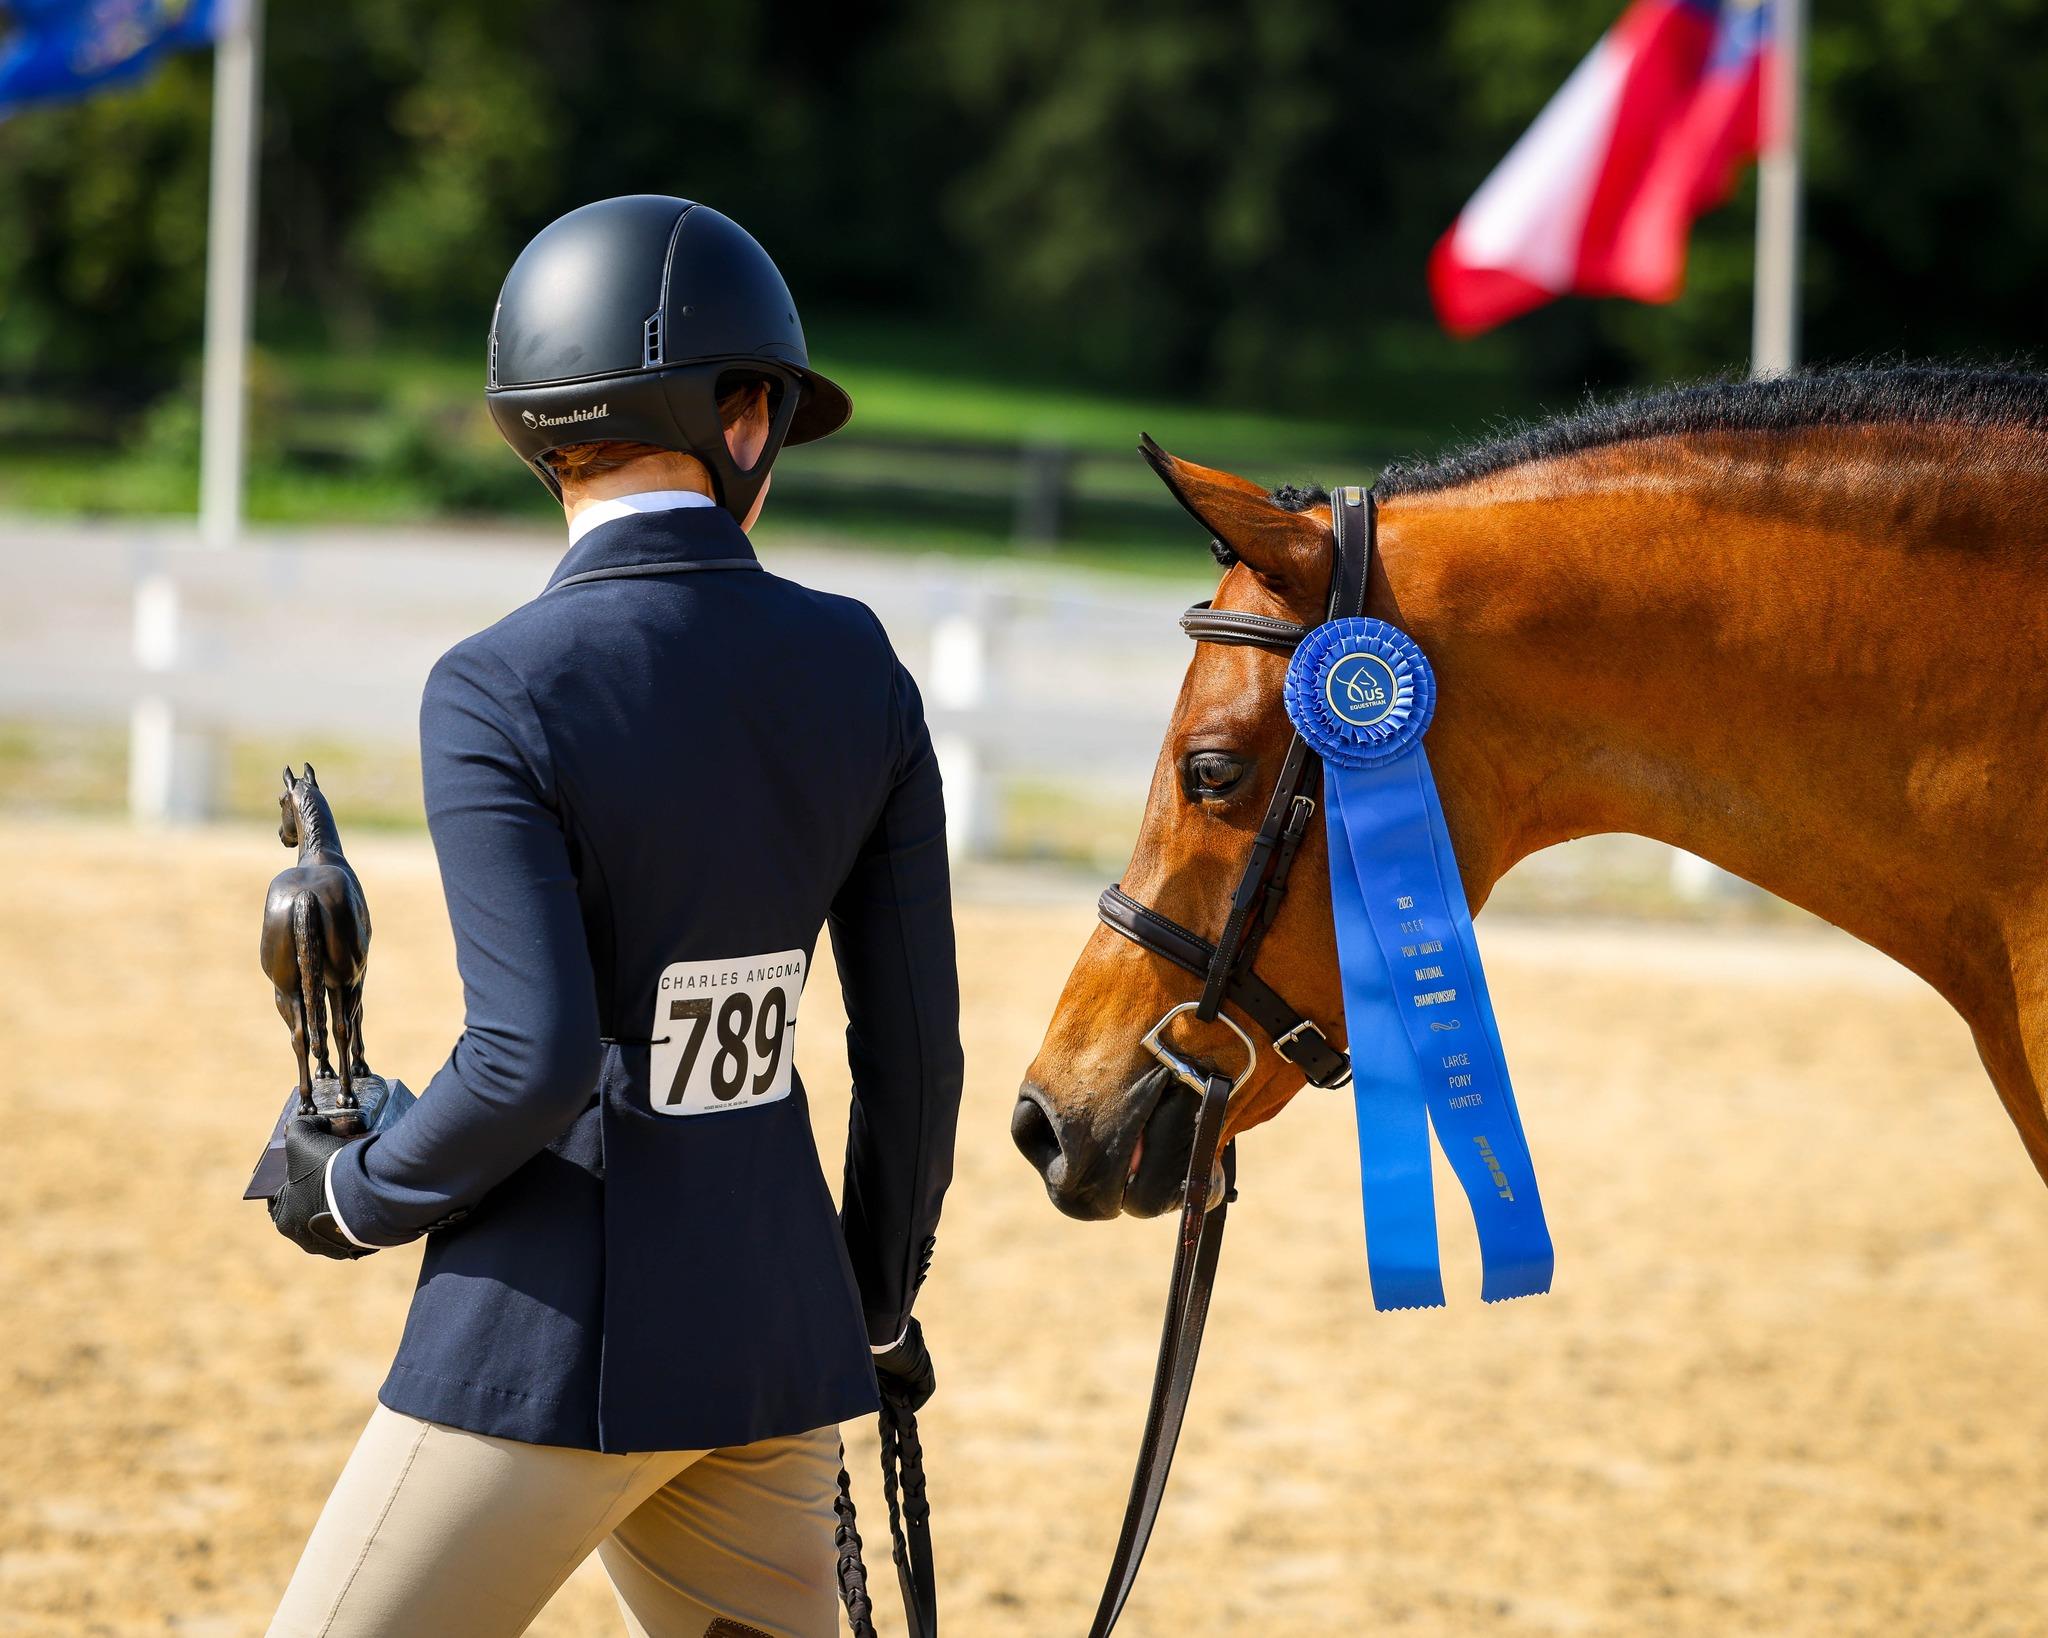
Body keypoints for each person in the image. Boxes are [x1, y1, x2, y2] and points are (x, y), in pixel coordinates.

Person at [265, 195, 963, 1638]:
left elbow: (534, 1059)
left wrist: (354, 1187)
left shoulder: (498, 683)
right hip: (773, 1351)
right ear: (746, 418)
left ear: (534, 427)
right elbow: (914, 1052)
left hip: (550, 1344)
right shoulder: (857, 666)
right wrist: (868, 1306)